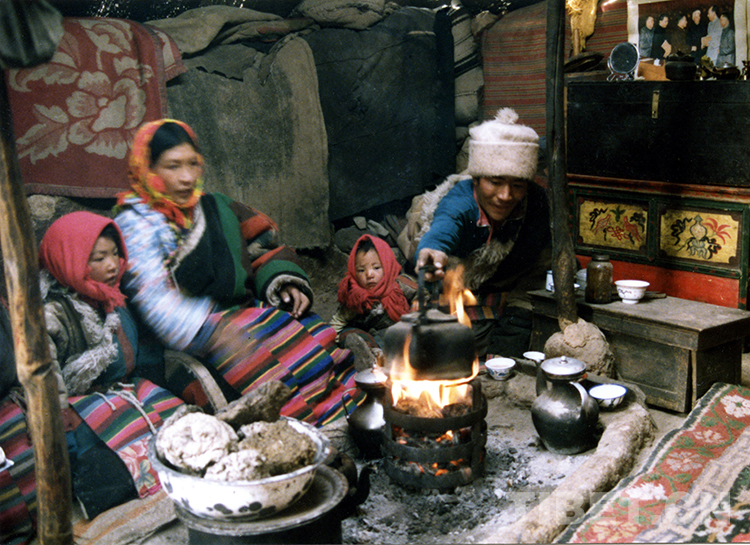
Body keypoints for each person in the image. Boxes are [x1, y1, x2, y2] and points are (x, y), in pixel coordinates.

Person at [114, 119, 363, 427]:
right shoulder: (135, 225)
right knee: (266, 373)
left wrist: (282, 282)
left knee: (312, 334)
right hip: (191, 335)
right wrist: (210, 332)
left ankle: (350, 408)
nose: (187, 177)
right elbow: (153, 297)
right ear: (148, 169)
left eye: (193, 164)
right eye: (173, 166)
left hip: (242, 310)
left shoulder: (215, 207)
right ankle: (306, 431)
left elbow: (260, 246)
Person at [36, 211, 184, 519]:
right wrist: (62, 426)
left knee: (184, 429)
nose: (113, 265)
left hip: (126, 389)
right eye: (98, 258)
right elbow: (48, 378)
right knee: (104, 463)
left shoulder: (113, 299)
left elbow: (141, 352)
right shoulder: (52, 314)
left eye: (115, 253)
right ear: (69, 260)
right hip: (82, 404)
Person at [414, 108, 552, 359]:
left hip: (510, 283)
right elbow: (444, 227)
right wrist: (433, 252)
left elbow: (537, 264)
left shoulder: (536, 202)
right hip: (466, 280)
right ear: (476, 180)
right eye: (495, 182)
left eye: (517, 185)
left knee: (519, 330)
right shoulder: (460, 202)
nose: (505, 196)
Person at [331, 234, 416, 356]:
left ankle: (380, 353)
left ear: (387, 266)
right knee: (350, 335)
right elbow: (339, 321)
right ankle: (368, 354)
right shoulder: (356, 296)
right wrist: (329, 342)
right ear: (354, 271)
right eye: (361, 270)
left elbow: (421, 296)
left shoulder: (398, 285)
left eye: (376, 268)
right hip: (366, 334)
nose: (369, 274)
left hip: (393, 330)